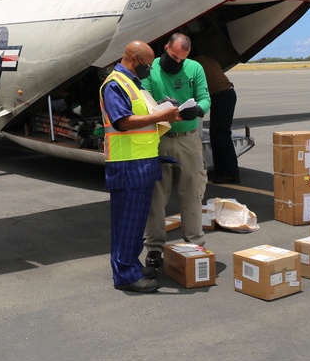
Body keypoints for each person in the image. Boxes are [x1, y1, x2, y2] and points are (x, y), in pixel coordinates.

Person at [99, 40, 181, 293]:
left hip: (142, 162)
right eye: (147, 63)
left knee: (135, 223)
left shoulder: (133, 83)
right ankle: (125, 275)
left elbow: (144, 120)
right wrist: (161, 116)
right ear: (134, 59)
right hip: (127, 164)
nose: (149, 68)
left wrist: (165, 113)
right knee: (127, 223)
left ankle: (131, 265)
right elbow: (123, 121)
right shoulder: (114, 84)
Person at [141, 33, 211, 270]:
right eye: (173, 57)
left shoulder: (195, 68)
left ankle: (194, 242)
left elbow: (205, 98)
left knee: (191, 192)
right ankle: (154, 247)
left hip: (187, 139)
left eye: (182, 59)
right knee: (156, 196)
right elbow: (144, 99)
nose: (177, 63)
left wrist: (198, 110)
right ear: (166, 48)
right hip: (159, 137)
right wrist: (162, 109)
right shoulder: (151, 71)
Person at [192, 55, 240, 184]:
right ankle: (221, 169)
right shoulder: (207, 59)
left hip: (222, 96)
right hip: (225, 94)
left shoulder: (195, 63)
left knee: (221, 134)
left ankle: (230, 173)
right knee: (217, 134)